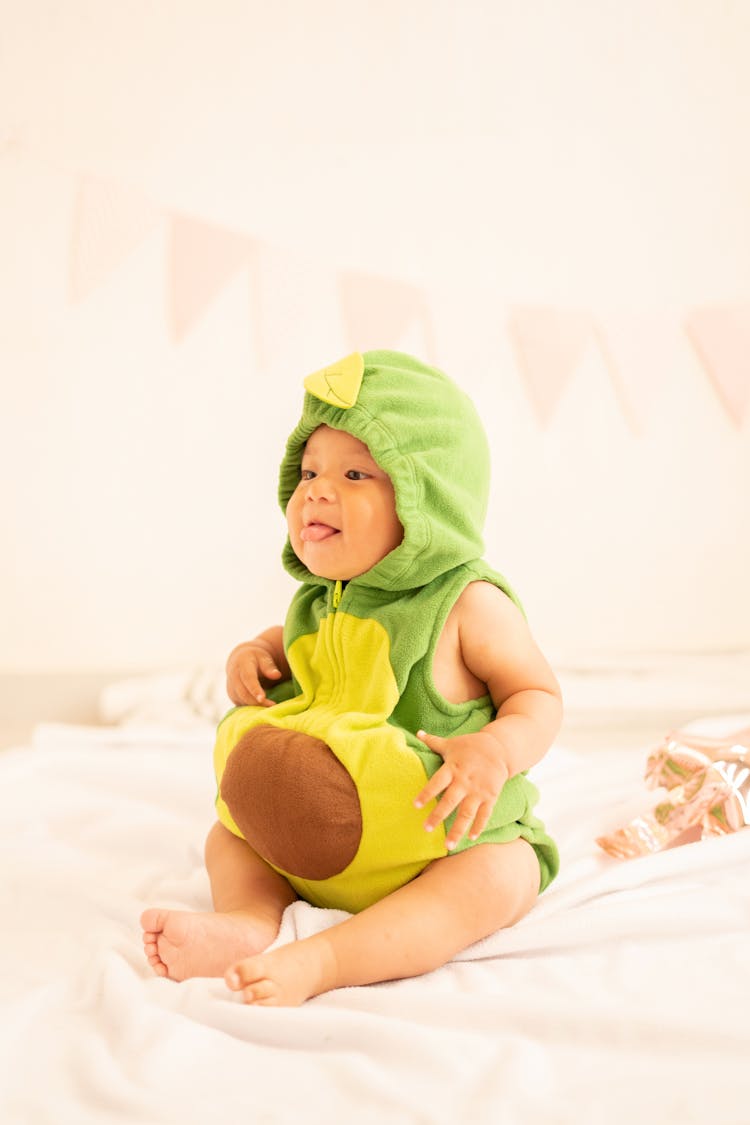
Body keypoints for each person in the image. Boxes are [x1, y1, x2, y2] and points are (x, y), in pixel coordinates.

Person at [141, 350, 562, 1006]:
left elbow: (537, 693)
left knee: (501, 877)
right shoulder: (320, 600)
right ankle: (250, 920)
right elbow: (296, 648)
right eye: (308, 470)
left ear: (427, 495)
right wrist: (252, 652)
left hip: (438, 838)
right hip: (317, 838)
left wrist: (497, 750)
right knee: (229, 835)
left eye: (356, 472)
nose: (315, 489)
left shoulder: (466, 603)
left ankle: (329, 958)